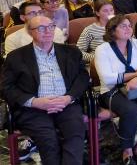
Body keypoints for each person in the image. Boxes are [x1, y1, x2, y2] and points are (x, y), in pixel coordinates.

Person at [0, 15, 90, 165]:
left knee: (75, 133)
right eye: (41, 28)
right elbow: (6, 88)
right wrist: (34, 102)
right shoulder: (16, 57)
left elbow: (83, 77)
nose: (47, 31)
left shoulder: (70, 52)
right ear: (30, 32)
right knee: (48, 139)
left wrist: (69, 97)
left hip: (65, 103)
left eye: (51, 27)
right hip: (33, 108)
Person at [94, 15, 137, 165]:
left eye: (129, 26)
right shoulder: (102, 49)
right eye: (123, 26)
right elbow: (107, 78)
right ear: (112, 30)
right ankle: (127, 150)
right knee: (130, 110)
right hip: (112, 91)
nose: (128, 29)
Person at [76, 0, 113, 64]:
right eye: (105, 11)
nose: (110, 13)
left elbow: (132, 43)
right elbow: (78, 52)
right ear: (97, 13)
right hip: (101, 64)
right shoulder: (89, 30)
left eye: (111, 10)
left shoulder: (120, 26)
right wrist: (96, 58)